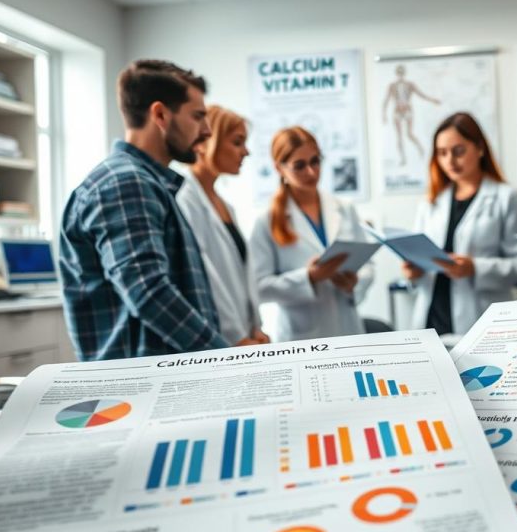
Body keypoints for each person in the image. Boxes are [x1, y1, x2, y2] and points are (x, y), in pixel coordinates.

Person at [60, 60, 262, 361]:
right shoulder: (125, 182)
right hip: (139, 388)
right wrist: (225, 358)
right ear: (160, 115)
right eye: (197, 117)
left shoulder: (150, 184)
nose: (206, 130)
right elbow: (149, 293)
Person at [401, 112, 517, 336]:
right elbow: (419, 256)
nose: (450, 161)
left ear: (480, 148)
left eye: (458, 151)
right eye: (442, 153)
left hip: (480, 321)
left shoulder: (506, 197)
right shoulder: (431, 201)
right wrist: (413, 272)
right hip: (431, 320)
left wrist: (475, 268)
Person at [249, 126, 374, 341]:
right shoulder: (267, 222)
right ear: (279, 168)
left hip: (348, 328)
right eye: (299, 166)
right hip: (301, 336)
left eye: (315, 161)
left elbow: (368, 266)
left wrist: (356, 281)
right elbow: (259, 287)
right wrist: (308, 278)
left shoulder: (344, 208)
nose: (311, 172)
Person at [176, 105, 270, 346]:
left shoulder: (226, 206)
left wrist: (255, 327)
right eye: (237, 142)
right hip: (219, 337)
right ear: (205, 142)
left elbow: (242, 276)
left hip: (245, 335)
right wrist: (235, 336)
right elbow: (206, 276)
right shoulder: (185, 200)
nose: (246, 152)